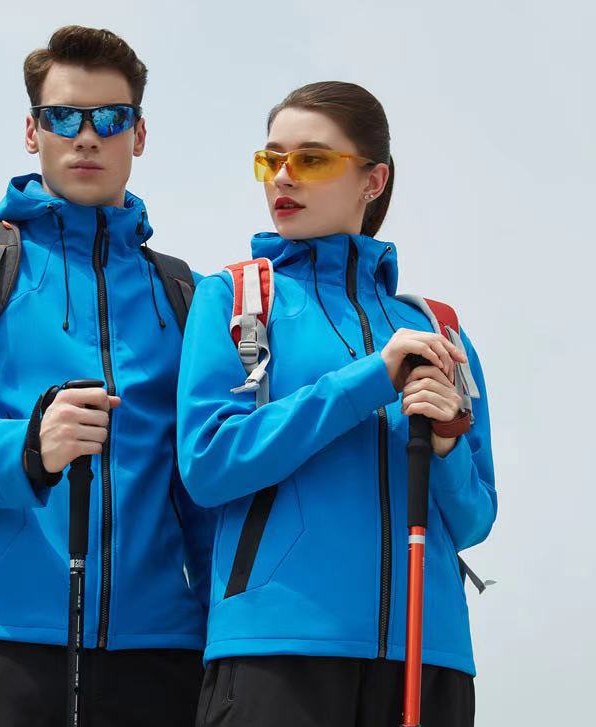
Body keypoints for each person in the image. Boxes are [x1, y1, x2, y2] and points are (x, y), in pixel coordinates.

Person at [0, 25, 213, 727]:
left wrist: (221, 637)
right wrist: (26, 448)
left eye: (110, 118)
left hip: (160, 655)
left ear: (139, 134)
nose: (86, 137)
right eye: (63, 117)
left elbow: (205, 493)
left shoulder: (188, 296)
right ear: (33, 131)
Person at [177, 81, 497, 727]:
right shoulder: (236, 299)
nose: (283, 177)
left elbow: (473, 520)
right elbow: (208, 464)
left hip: (426, 656)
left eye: (312, 159)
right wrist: (369, 379)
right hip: (277, 650)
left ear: (372, 180)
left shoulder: (438, 328)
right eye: (271, 159)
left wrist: (445, 445)